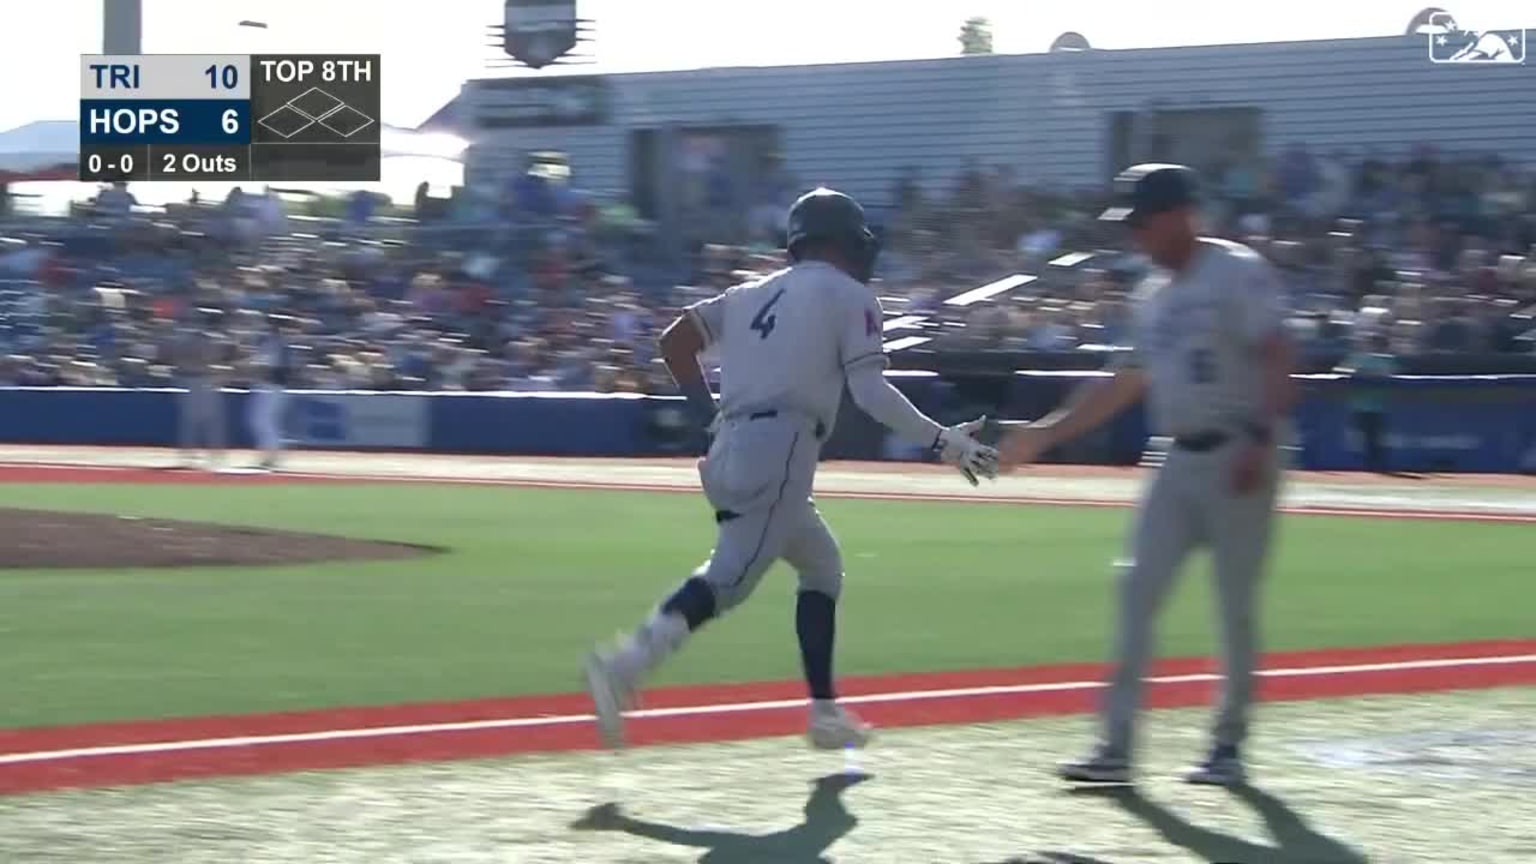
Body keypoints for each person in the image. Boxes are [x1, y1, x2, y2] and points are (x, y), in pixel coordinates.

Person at [583, 187, 999, 750]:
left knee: (822, 565)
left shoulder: (750, 291)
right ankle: (623, 665)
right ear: (842, 238)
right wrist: (943, 440)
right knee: (728, 579)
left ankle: (825, 712)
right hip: (780, 445)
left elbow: (674, 343)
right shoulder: (849, 294)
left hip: (739, 441)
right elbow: (870, 391)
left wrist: (708, 411)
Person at [998, 164, 1296, 787]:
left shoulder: (1236, 271)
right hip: (1175, 456)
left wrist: (1263, 437)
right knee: (1136, 590)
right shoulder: (1151, 294)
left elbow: (1276, 351)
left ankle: (1228, 747)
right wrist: (1047, 433)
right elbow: (1125, 381)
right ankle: (1115, 747)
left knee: (1233, 606)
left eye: (1142, 219)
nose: (1135, 234)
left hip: (1242, 450)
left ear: (1181, 213)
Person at [1334, 333, 1396, 474]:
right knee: (1361, 441)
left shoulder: (1386, 360)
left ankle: (1376, 469)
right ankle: (1365, 470)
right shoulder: (1359, 358)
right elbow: (1339, 371)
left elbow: (1392, 374)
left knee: (1375, 440)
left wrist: (1374, 374)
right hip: (1359, 405)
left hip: (1377, 407)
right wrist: (1358, 373)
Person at [175, 310, 227, 470]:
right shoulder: (198, 340)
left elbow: (211, 359)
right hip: (197, 380)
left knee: (202, 420)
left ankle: (207, 454)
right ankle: (196, 454)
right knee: (198, 420)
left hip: (200, 380)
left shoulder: (203, 340)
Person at [248, 314, 296, 471]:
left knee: (263, 421)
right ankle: (269, 457)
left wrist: (253, 367)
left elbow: (269, 366)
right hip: (269, 385)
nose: (269, 327)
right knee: (262, 421)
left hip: (272, 386)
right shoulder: (274, 342)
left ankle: (272, 457)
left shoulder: (277, 342)